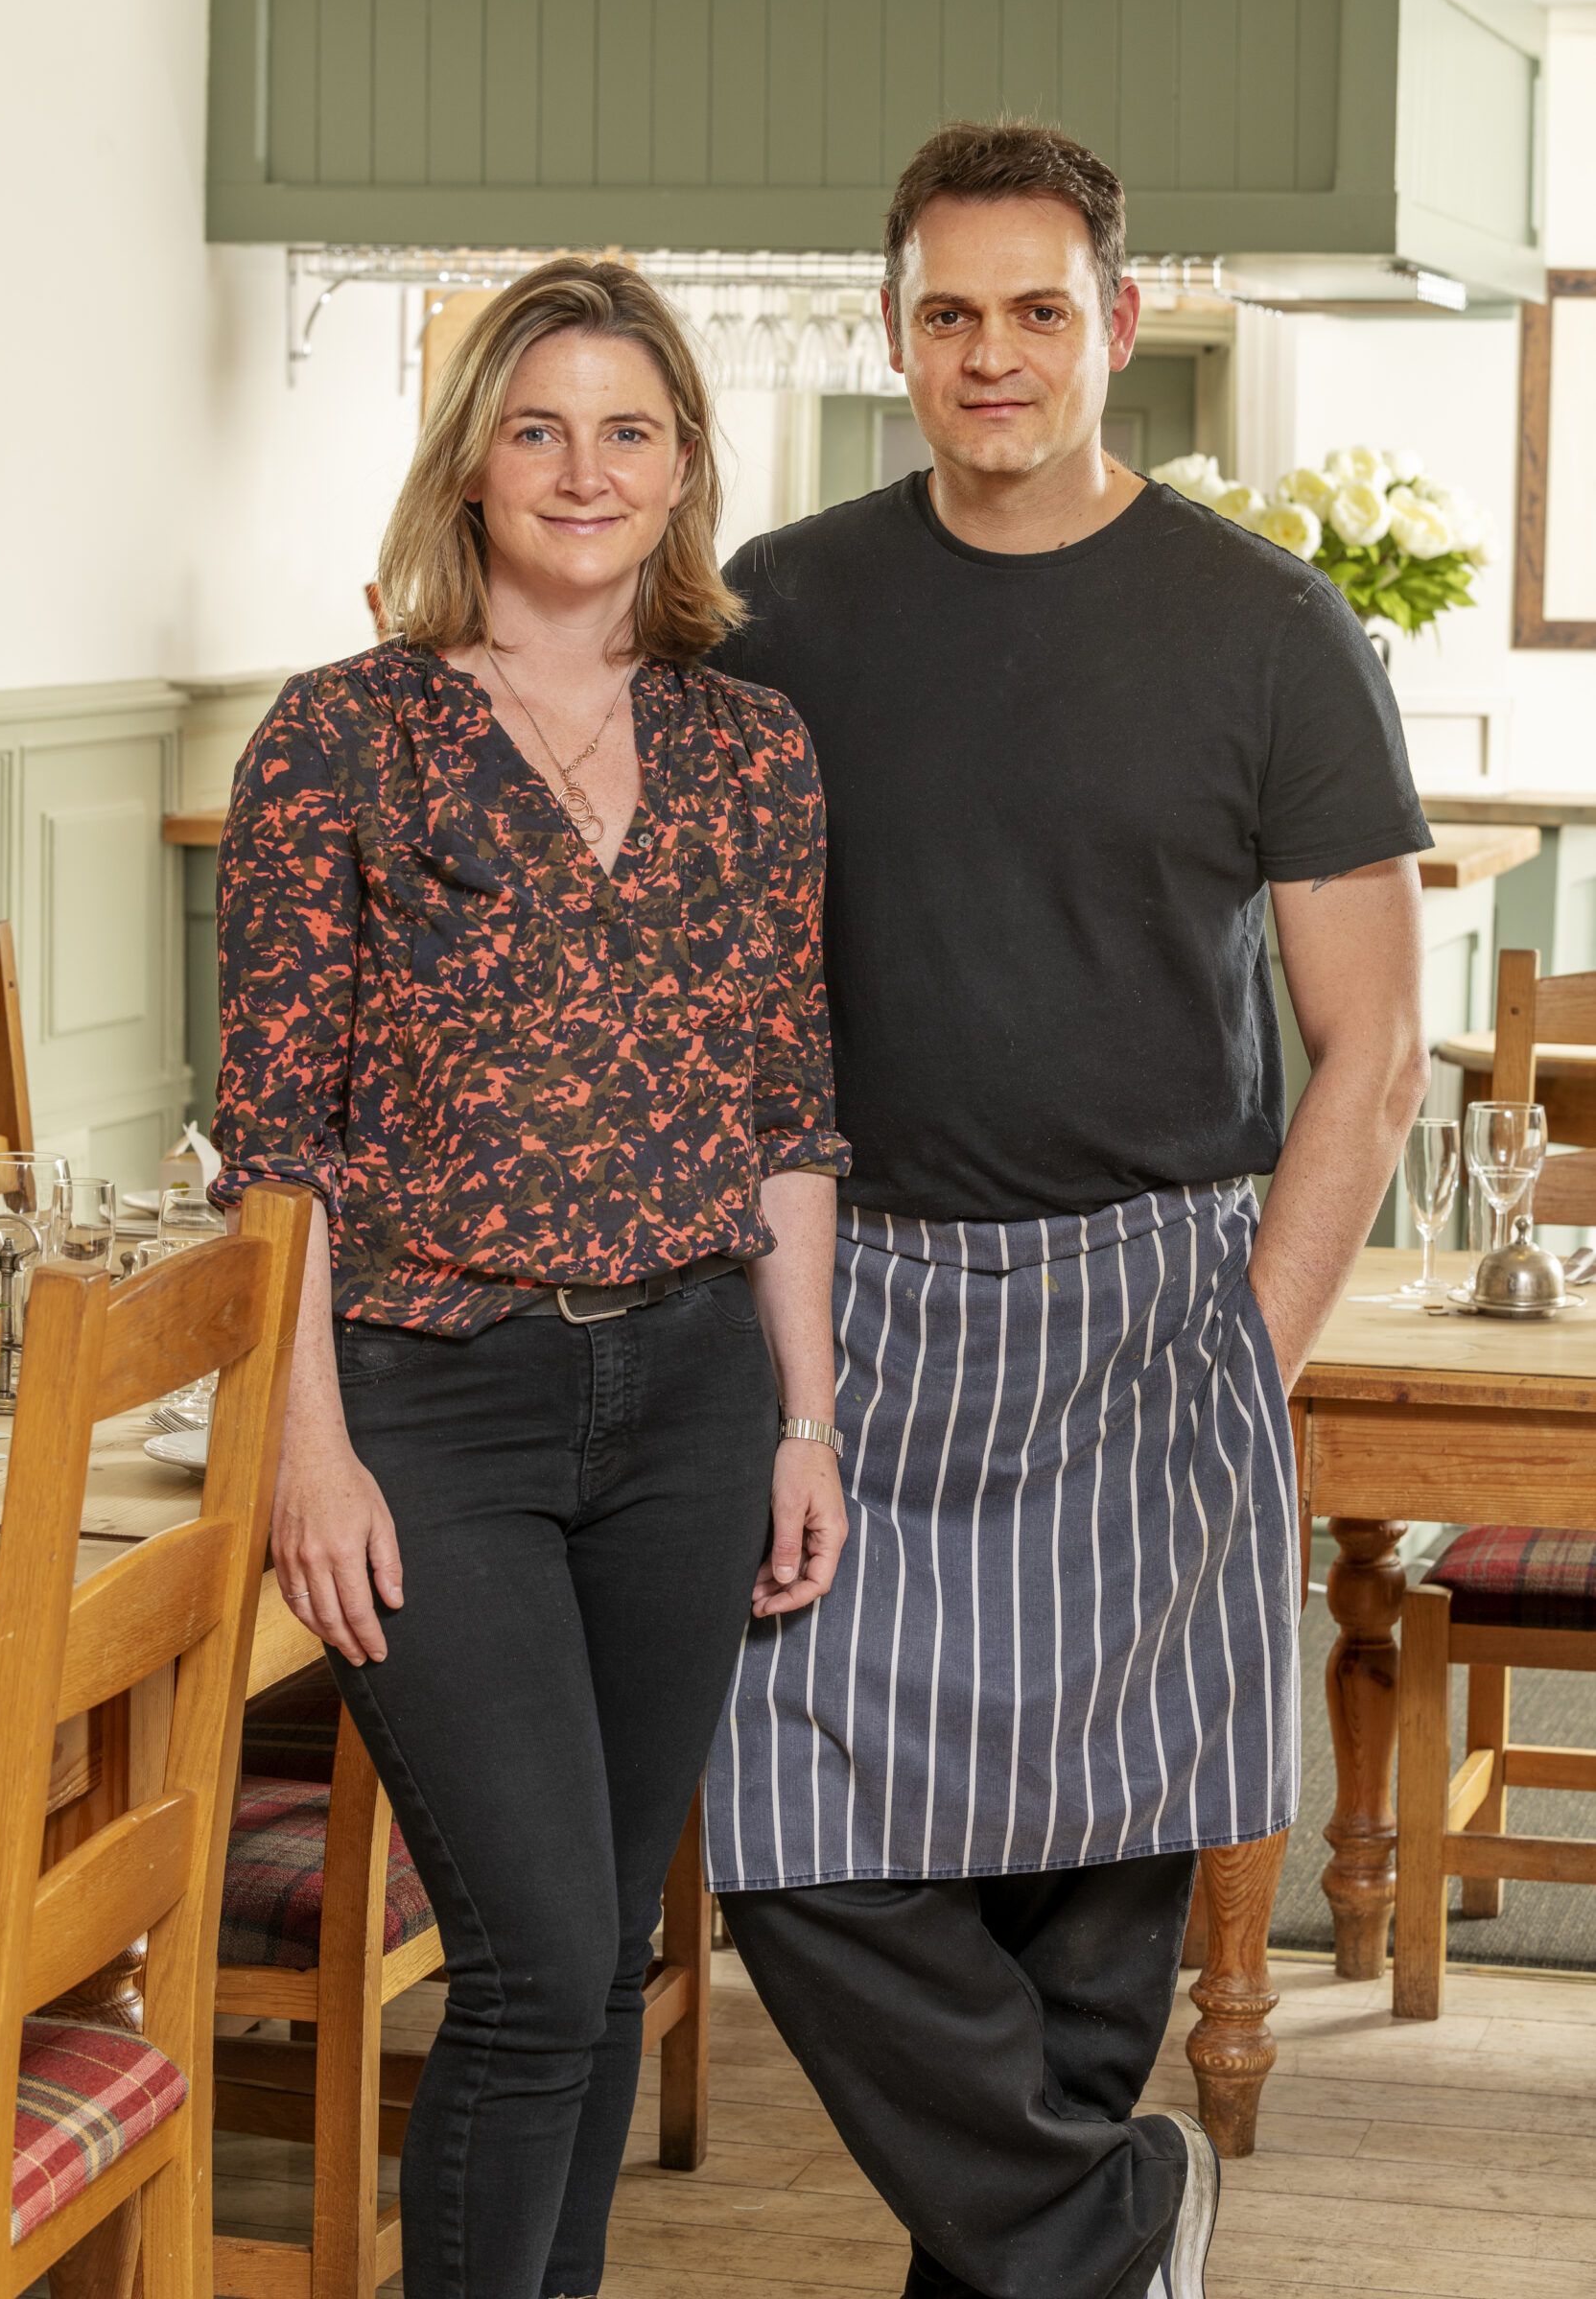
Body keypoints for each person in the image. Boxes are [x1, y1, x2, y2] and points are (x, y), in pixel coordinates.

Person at [704, 123, 1431, 2299]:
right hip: (870, 1313)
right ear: (895, 333)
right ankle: (1113, 2224)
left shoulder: (1268, 626)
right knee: (788, 1834)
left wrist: (1245, 1346)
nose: (991, 354)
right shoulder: (776, 607)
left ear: (1115, 322)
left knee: (1095, 1914)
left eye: (1037, 310)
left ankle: (1053, 2251)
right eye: (948, 313)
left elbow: (1371, 1046)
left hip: (1158, 1302)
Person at [210, 258, 851, 2299]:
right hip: (430, 1399)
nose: (584, 468)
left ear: (681, 473)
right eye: (539, 426)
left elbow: (787, 1115)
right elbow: (278, 1144)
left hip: (689, 1399)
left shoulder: (755, 753)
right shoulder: (343, 736)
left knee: (601, 1967)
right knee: (535, 1953)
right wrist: (306, 1445)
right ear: (471, 466)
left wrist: (805, 1417)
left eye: (628, 429)